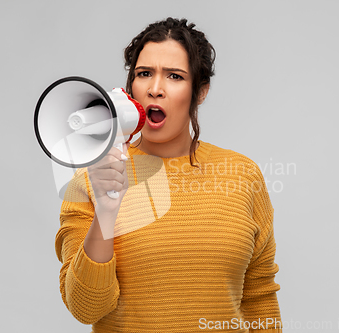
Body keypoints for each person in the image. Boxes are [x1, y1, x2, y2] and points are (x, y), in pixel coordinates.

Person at [55, 17, 282, 332]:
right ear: (130, 88)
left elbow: (259, 296)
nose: (155, 89)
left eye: (174, 76)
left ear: (200, 91)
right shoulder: (90, 182)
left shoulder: (243, 175)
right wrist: (107, 212)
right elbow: (85, 308)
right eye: (144, 74)